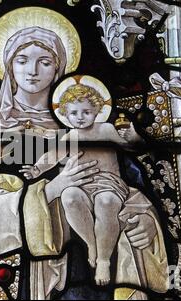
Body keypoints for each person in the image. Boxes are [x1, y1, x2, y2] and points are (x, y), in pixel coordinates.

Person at [0, 26, 168, 300]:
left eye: (44, 62)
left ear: (58, 69)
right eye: (22, 60)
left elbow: (127, 188)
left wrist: (146, 222)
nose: (32, 70)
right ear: (8, 66)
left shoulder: (87, 130)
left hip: (77, 278)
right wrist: (49, 192)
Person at [20, 82, 145, 286]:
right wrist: (36, 169)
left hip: (108, 184)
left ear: (97, 110)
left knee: (105, 203)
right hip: (82, 185)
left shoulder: (105, 129)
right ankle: (91, 244)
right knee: (69, 196)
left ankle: (103, 259)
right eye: (74, 113)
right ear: (65, 115)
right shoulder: (71, 137)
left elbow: (129, 146)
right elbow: (52, 156)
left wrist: (134, 137)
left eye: (86, 111)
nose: (80, 117)